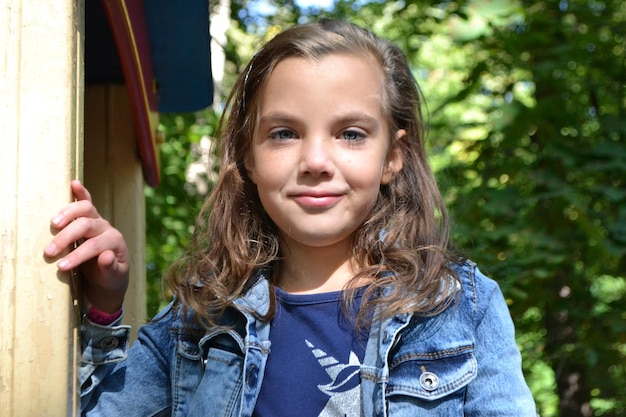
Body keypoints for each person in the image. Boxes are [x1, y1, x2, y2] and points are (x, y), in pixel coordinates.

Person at [45, 19, 537, 416]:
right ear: (249, 156)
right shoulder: (198, 321)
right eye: (284, 133)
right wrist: (104, 308)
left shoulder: (459, 308)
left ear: (394, 156)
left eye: (350, 133)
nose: (316, 160)